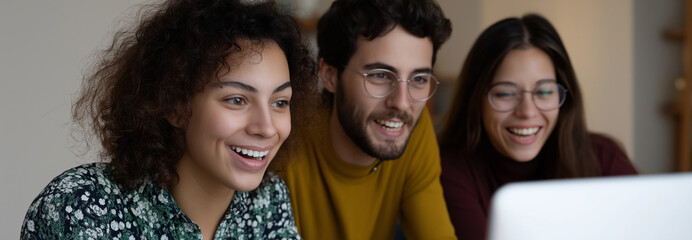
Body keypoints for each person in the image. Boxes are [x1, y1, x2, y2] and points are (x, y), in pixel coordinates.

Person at [20, 0, 317, 239]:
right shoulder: (76, 207)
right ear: (175, 104)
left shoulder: (269, 201)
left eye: (280, 102)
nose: (266, 127)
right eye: (237, 100)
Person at [438, 14, 638, 240]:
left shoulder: (604, 158)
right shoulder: (448, 171)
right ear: (475, 100)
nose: (528, 112)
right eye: (505, 93)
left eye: (544, 92)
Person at [280, 0, 455, 239]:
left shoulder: (413, 127)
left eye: (419, 79)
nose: (402, 103)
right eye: (380, 75)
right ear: (330, 75)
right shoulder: (282, 142)